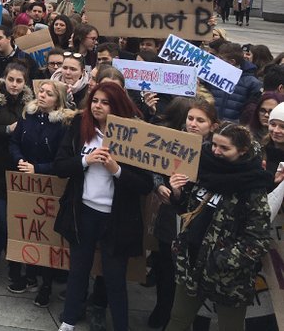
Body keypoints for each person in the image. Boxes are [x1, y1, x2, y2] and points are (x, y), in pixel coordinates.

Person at [54, 76, 153, 331]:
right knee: (78, 270)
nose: (97, 106)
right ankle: (68, 321)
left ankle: (120, 325)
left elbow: (145, 185)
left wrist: (117, 169)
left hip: (116, 218)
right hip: (83, 211)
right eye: (94, 101)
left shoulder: (134, 133)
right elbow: (61, 166)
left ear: (117, 106)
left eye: (105, 103)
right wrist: (86, 161)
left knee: (114, 278)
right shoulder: (80, 125)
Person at [165, 123, 272, 330]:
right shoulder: (202, 167)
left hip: (229, 278)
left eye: (224, 148)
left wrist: (221, 260)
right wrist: (177, 193)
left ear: (242, 152)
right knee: (178, 320)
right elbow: (187, 210)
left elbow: (258, 240)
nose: (216, 151)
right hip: (191, 263)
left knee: (229, 327)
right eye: (214, 144)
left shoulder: (253, 187)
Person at [147, 97, 218, 328]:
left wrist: (181, 193)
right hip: (169, 219)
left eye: (200, 120)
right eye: (190, 118)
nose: (193, 124)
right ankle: (163, 310)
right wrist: (160, 185)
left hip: (196, 223)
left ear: (212, 126)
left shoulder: (215, 152)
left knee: (187, 273)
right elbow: (156, 168)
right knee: (165, 267)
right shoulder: (172, 141)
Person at [10, 79, 73, 307]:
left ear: (59, 100)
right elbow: (14, 142)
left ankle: (46, 283)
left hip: (50, 182)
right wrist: (20, 161)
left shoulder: (65, 124)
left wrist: (39, 169)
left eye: (49, 93)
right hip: (25, 180)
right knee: (28, 229)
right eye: (42, 91)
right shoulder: (27, 115)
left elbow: (63, 160)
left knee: (46, 234)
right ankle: (29, 275)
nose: (43, 95)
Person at [0, 62, 32, 278]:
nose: (14, 84)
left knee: (12, 219)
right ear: (4, 79)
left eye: (19, 81)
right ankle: (3, 256)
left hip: (17, 171)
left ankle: (2, 256)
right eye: (11, 79)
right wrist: (6, 130)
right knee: (3, 219)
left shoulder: (30, 105)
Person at [211, 43, 263, 121]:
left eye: (221, 59)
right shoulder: (212, 76)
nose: (217, 61)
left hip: (234, 129)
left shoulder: (253, 83)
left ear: (232, 62)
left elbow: (251, 111)